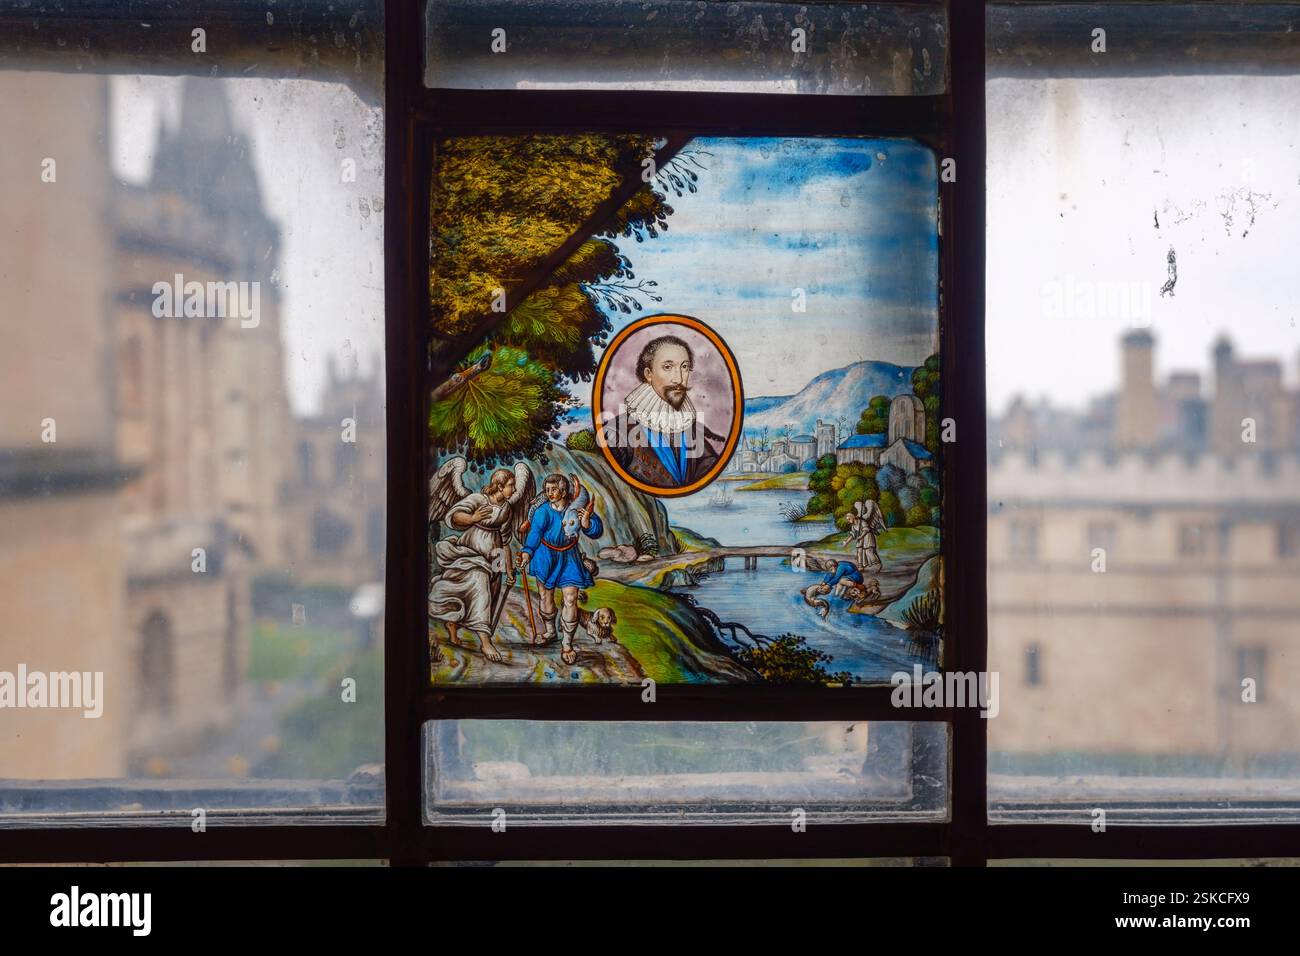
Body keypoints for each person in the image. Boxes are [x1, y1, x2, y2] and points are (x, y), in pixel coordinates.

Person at [604, 334, 724, 489]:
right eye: (668, 367)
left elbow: (709, 467)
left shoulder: (689, 427)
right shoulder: (617, 431)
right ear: (648, 374)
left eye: (685, 367)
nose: (679, 378)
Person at [428, 467, 520, 663]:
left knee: (492, 592)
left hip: (494, 552)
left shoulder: (507, 509)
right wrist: (473, 518)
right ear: (499, 486)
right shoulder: (479, 499)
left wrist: (509, 570)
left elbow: (505, 541)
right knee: (480, 589)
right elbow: (454, 516)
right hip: (472, 551)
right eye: (511, 485)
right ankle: (485, 642)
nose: (514, 489)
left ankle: (453, 625)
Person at [517, 473, 604, 665]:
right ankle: (550, 631)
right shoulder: (542, 511)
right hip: (545, 556)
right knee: (545, 597)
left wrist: (588, 522)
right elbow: (535, 533)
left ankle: (567, 644)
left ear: (563, 491)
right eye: (547, 490)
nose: (549, 493)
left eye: (553, 490)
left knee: (571, 598)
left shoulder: (576, 507)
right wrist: (527, 552)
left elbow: (596, 529)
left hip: (569, 557)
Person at [847, 498, 887, 572]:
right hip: (861, 538)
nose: (848, 521)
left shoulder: (863, 520)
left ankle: (878, 565)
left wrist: (861, 536)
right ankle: (860, 566)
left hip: (867, 537)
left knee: (869, 551)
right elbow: (853, 534)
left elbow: (866, 529)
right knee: (859, 552)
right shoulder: (854, 525)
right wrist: (846, 542)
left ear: (852, 517)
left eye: (849, 519)